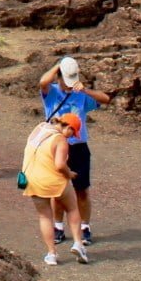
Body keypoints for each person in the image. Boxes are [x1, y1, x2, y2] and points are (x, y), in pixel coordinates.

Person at [40, 56, 111, 246]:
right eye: (65, 79)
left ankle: (84, 227)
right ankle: (58, 227)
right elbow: (43, 82)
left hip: (78, 147)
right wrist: (58, 65)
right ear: (59, 77)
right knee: (57, 190)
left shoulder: (80, 95)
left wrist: (85, 89)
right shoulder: (52, 92)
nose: (68, 85)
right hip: (55, 145)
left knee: (82, 190)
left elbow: (105, 99)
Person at [21, 111, 89, 265]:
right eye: (72, 133)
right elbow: (59, 165)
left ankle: (51, 254)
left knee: (44, 216)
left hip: (32, 180)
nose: (71, 137)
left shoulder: (39, 127)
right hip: (52, 180)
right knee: (72, 208)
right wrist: (69, 173)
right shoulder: (60, 140)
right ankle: (78, 243)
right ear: (69, 128)